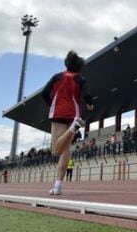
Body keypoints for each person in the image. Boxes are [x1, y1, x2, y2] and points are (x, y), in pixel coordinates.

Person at [41, 50, 95, 195]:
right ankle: (57, 185)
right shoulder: (81, 79)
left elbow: (44, 93)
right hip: (74, 114)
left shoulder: (57, 77)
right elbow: (87, 95)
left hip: (59, 113)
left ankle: (73, 128)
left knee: (56, 150)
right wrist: (90, 104)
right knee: (65, 151)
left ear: (66, 64)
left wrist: (52, 104)